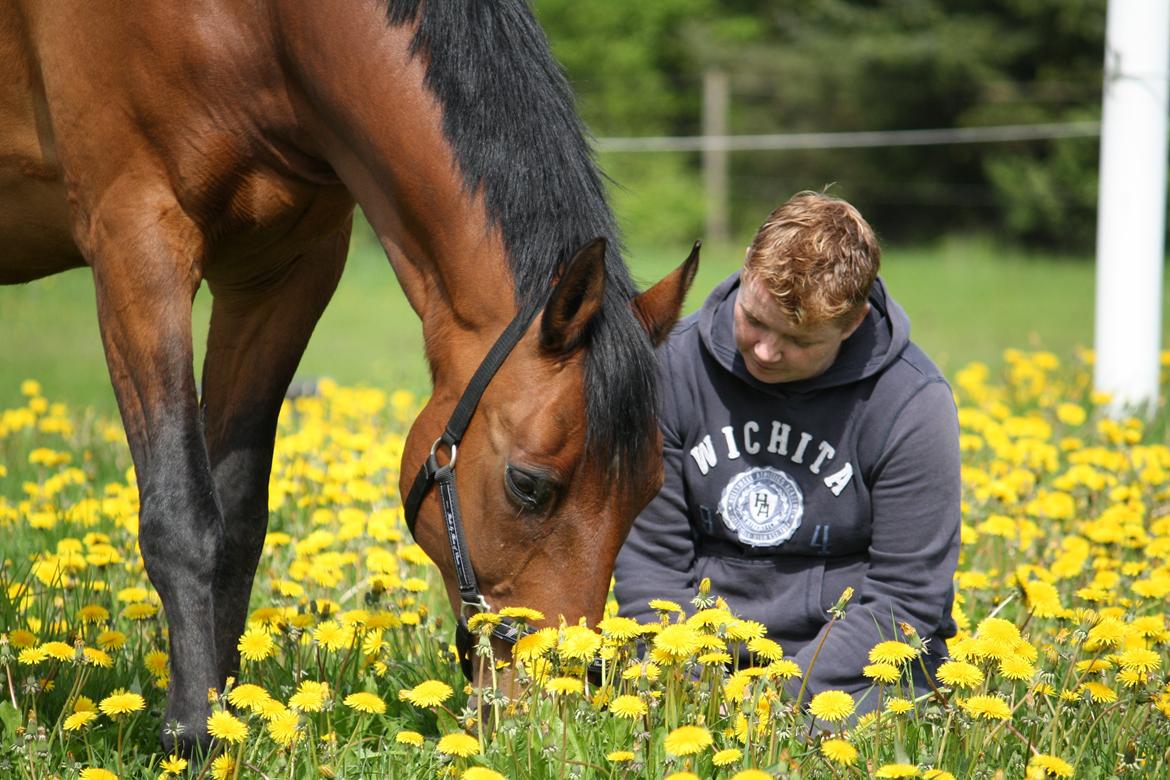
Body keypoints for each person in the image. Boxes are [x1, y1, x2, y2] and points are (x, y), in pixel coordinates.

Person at [614, 190, 961, 710]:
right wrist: (697, 683)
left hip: (853, 669)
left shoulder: (911, 404)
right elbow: (651, 567)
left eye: (798, 340)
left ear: (853, 323)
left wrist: (783, 694)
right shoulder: (671, 371)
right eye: (754, 319)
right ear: (746, 271)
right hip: (699, 660)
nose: (765, 351)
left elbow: (905, 597)